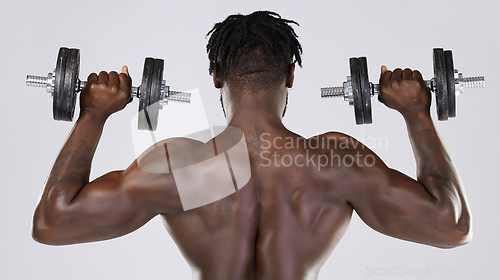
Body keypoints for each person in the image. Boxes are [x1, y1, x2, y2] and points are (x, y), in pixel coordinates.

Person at [32, 11, 472, 280]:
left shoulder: (182, 166)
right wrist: (417, 112)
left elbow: (54, 223)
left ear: (216, 77)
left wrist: (92, 112)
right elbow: (450, 225)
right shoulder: (335, 161)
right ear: (290, 76)